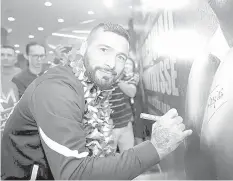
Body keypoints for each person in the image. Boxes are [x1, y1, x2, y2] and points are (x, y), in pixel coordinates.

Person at [1, 23, 192, 180]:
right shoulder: (57, 89)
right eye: (103, 50)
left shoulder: (94, 87)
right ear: (84, 48)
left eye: (121, 57)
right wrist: (155, 148)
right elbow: (75, 174)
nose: (111, 64)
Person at [111, 57, 139, 152]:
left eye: (130, 64)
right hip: (108, 126)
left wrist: (117, 80)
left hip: (125, 124)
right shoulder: (105, 76)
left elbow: (132, 92)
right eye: (125, 63)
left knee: (127, 156)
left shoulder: (131, 77)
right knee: (108, 159)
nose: (127, 66)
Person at [1, 45, 21, 129]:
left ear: (15, 58)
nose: (5, 58)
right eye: (2, 55)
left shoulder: (22, 76)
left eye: (9, 55)